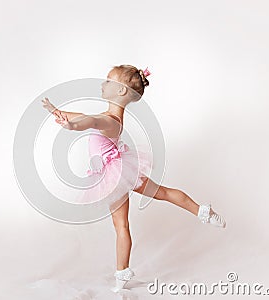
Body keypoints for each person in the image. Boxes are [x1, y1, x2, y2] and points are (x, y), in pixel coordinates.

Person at [41, 64, 226, 293]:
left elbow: (89, 121)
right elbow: (85, 117)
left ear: (120, 91)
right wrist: (58, 112)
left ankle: (122, 275)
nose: (103, 83)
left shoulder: (109, 121)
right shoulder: (109, 116)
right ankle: (202, 212)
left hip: (115, 175)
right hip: (119, 170)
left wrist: (72, 125)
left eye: (108, 80)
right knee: (161, 194)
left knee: (122, 226)